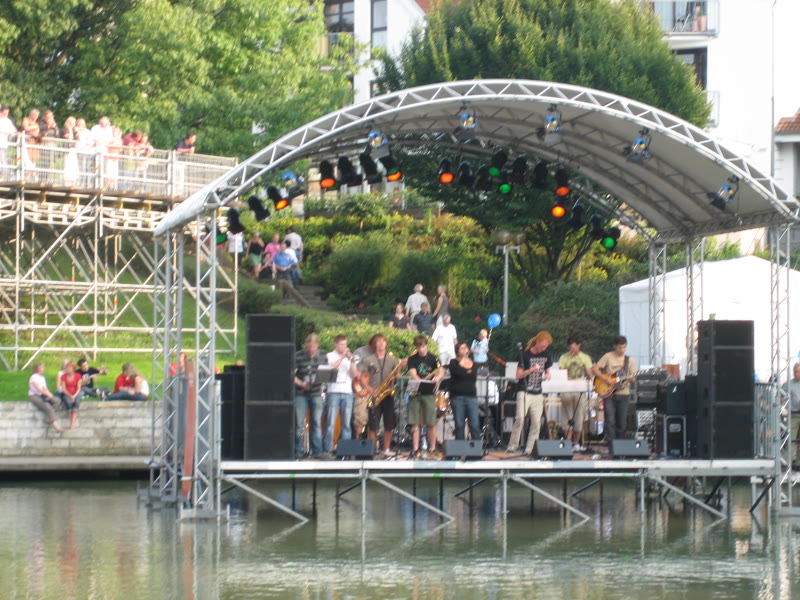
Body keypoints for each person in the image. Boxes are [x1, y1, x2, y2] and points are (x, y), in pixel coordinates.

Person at [507, 331, 553, 456]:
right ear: (537, 342)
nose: (544, 348)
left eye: (546, 346)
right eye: (543, 346)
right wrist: (531, 369)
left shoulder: (546, 355)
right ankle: (512, 445)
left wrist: (548, 374)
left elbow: (547, 370)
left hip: (538, 392)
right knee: (520, 418)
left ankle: (530, 448)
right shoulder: (525, 355)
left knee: (536, 422)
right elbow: (518, 375)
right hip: (524, 390)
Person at [592, 335, 638, 444]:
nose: (622, 350)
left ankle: (620, 445)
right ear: (614, 346)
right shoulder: (608, 356)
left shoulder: (630, 360)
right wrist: (605, 378)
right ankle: (611, 444)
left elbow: (633, 378)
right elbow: (595, 369)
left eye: (624, 347)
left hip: (624, 393)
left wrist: (631, 378)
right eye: (619, 347)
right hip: (609, 393)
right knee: (610, 420)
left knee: (622, 422)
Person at [362, 333, 401, 456]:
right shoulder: (369, 360)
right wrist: (368, 388)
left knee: (389, 424)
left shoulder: (392, 359)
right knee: (373, 425)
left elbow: (398, 374)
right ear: (375, 344)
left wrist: (395, 377)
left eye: (383, 341)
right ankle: (373, 449)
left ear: (386, 344)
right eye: (378, 342)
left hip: (388, 394)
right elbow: (363, 376)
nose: (381, 344)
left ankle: (386, 449)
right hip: (375, 395)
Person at [407, 335, 443, 459]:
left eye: (422, 346)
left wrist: (437, 377)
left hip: (429, 392)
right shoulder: (412, 359)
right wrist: (421, 381)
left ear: (426, 345)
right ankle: (416, 449)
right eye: (418, 347)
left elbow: (441, 371)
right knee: (414, 422)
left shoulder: (434, 358)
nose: (421, 349)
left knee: (431, 421)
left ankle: (432, 448)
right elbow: (413, 373)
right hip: (416, 392)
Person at [558, 336, 594, 451]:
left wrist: (590, 380)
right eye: (571, 347)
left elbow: (589, 373)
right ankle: (568, 442)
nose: (572, 349)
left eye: (574, 347)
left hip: (580, 388)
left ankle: (576, 443)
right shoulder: (564, 357)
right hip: (566, 389)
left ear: (579, 345)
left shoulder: (585, 357)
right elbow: (561, 373)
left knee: (578, 416)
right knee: (567, 417)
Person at [293, 334, 326, 458]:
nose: (311, 349)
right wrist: (301, 383)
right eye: (309, 346)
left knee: (316, 423)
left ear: (317, 345)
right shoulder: (298, 356)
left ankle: (317, 451)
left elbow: (326, 373)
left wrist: (318, 380)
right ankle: (297, 451)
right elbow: (292, 374)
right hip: (301, 392)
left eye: (313, 347)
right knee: (299, 423)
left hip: (316, 392)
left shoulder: (323, 356)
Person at [324, 334, 357, 455]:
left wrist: (351, 360)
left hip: (347, 392)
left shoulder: (349, 358)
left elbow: (354, 375)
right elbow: (331, 369)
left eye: (345, 344)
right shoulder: (329, 355)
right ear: (336, 344)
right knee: (330, 423)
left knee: (346, 424)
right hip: (333, 391)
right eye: (342, 344)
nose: (344, 347)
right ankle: (328, 450)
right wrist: (342, 357)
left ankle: (345, 451)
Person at [449, 341, 480, 442]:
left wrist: (466, 361)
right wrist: (462, 359)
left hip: (471, 397)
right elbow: (458, 373)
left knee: (474, 424)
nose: (465, 349)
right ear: (457, 351)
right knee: (459, 424)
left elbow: (472, 377)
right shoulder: (453, 362)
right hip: (457, 397)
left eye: (466, 347)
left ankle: (476, 448)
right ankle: (460, 448)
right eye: (462, 348)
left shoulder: (473, 363)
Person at [28, 362, 64, 433]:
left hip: (43, 394)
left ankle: (48, 417)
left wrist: (49, 393)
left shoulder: (42, 378)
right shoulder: (34, 377)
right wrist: (46, 393)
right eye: (42, 367)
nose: (43, 369)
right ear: (38, 368)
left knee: (57, 401)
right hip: (35, 396)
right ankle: (57, 427)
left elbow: (45, 388)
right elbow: (38, 388)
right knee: (48, 406)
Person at [58, 361, 83, 429]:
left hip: (76, 393)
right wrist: (70, 396)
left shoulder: (78, 375)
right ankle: (71, 422)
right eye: (66, 368)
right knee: (68, 402)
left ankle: (72, 423)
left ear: (73, 369)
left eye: (69, 368)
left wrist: (74, 396)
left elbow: (79, 388)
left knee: (76, 402)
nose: (67, 369)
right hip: (67, 393)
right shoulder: (63, 376)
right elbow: (64, 389)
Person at [783, 363, 800, 465]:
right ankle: (786, 462)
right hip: (793, 414)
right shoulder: (788, 384)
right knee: (791, 438)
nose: (797, 374)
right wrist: (786, 406)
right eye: (796, 372)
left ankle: (798, 463)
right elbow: (781, 397)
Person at [0, 105, 17, 178]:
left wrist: (12, 133)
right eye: (5, 113)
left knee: (3, 159)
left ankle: (3, 174)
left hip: (3, 143)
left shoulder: (8, 121)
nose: (6, 114)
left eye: (7, 113)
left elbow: (13, 130)